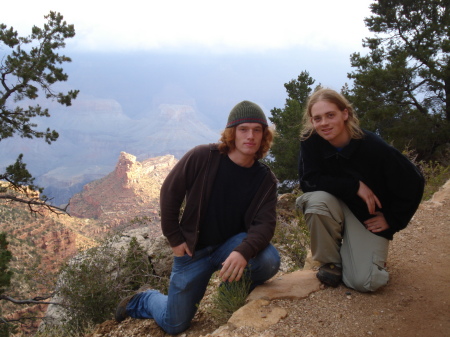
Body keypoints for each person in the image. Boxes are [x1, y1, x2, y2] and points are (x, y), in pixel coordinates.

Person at [115, 100, 281, 334]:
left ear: (264, 135)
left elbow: (265, 224)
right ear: (232, 133)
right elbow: (170, 192)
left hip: (231, 247)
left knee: (269, 260)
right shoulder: (204, 156)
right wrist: (174, 238)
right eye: (243, 129)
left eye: (257, 130)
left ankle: (229, 290)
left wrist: (243, 251)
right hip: (193, 251)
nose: (250, 136)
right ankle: (142, 300)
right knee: (174, 324)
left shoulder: (265, 179)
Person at [296, 88, 424, 292]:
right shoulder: (310, 141)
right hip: (334, 205)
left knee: (365, 282)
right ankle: (332, 264)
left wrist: (393, 219)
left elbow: (414, 181)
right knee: (315, 201)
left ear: (345, 114)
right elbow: (309, 181)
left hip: (366, 216)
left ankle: (357, 257)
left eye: (330, 115)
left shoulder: (372, 146)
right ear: (312, 121)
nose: (324, 123)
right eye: (317, 118)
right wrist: (353, 185)